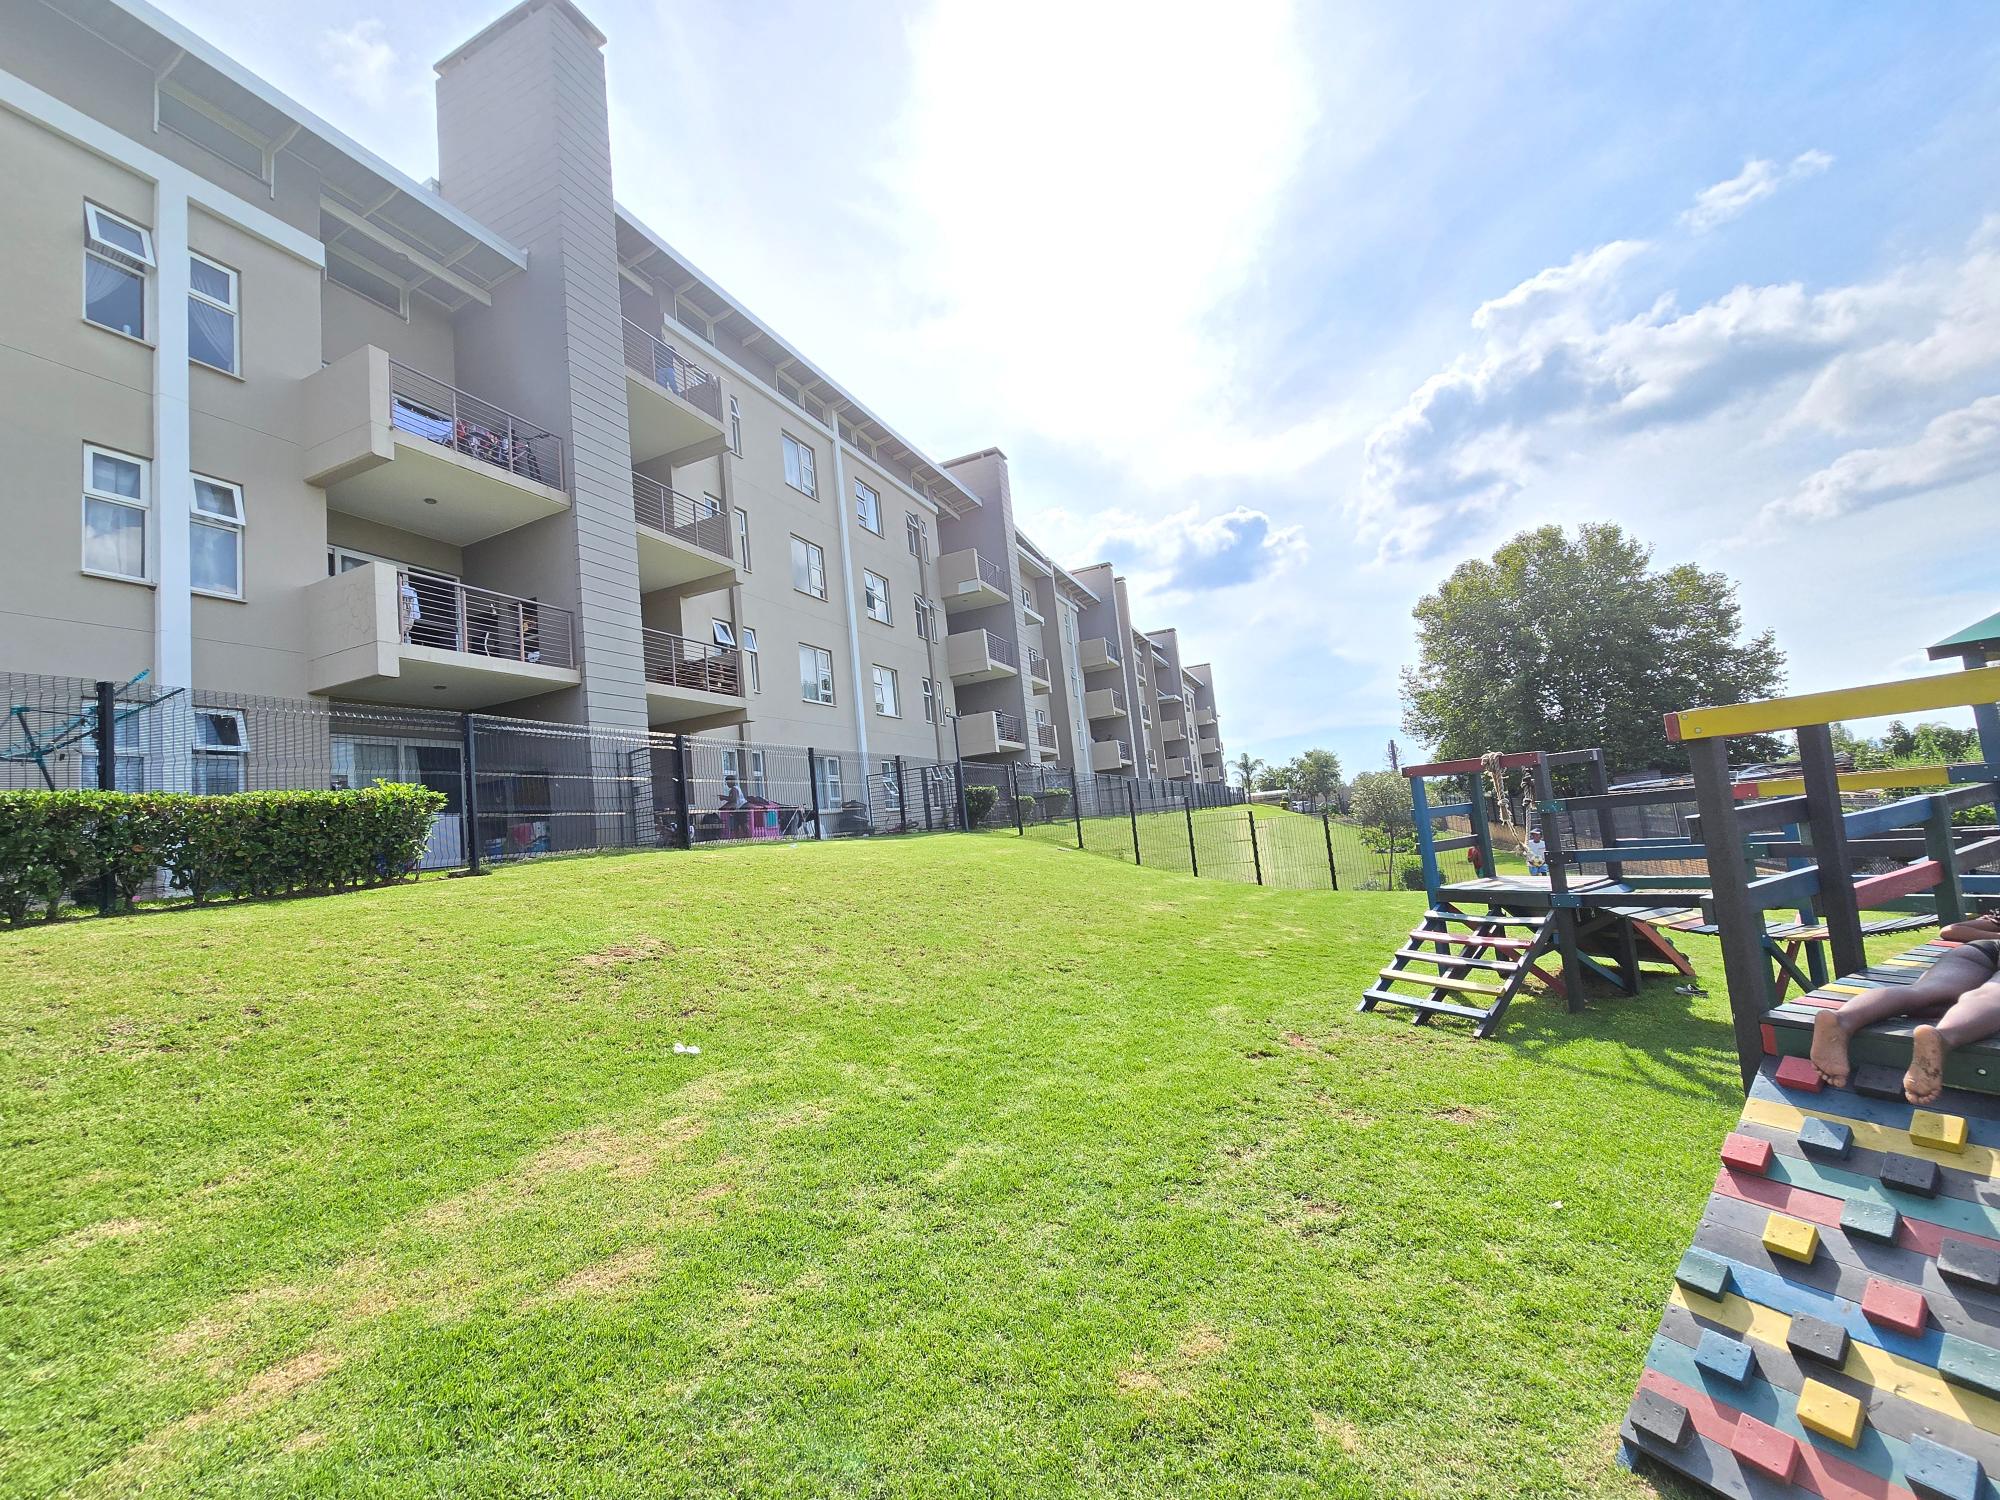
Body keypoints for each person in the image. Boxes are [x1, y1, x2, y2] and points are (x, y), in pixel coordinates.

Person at [1811, 912, 2000, 1104]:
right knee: (1992, 995)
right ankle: (1943, 1037)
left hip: (1980, 949)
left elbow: (1952, 930)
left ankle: (1843, 1020)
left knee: (1924, 992)